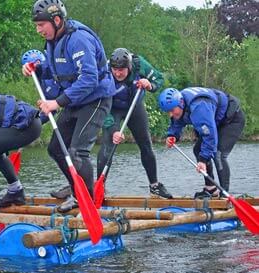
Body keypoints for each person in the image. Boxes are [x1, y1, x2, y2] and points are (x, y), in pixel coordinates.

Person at [23, 0, 116, 212]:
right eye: (36, 25)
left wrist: (56, 102)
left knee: (77, 152)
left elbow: (89, 78)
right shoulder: (53, 41)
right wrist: (36, 69)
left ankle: (89, 204)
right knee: (56, 148)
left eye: (41, 25)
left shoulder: (78, 39)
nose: (38, 30)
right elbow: (55, 69)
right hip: (75, 99)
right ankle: (77, 191)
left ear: (56, 20)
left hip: (96, 98)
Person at [96, 48, 172, 199]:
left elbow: (158, 78)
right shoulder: (104, 74)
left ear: (129, 66)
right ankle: (100, 187)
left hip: (134, 106)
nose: (118, 73)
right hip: (112, 108)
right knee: (108, 145)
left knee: (146, 145)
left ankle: (154, 186)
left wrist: (149, 84)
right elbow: (101, 107)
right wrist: (113, 129)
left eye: (122, 70)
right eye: (115, 70)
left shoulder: (139, 64)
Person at [158, 87, 245, 198]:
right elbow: (177, 121)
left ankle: (225, 195)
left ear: (180, 103)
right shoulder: (181, 104)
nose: (170, 114)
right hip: (214, 121)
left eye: (172, 110)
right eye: (168, 112)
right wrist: (172, 135)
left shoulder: (199, 107)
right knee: (198, 150)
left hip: (232, 120)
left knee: (218, 154)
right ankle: (211, 189)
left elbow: (210, 136)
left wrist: (203, 160)